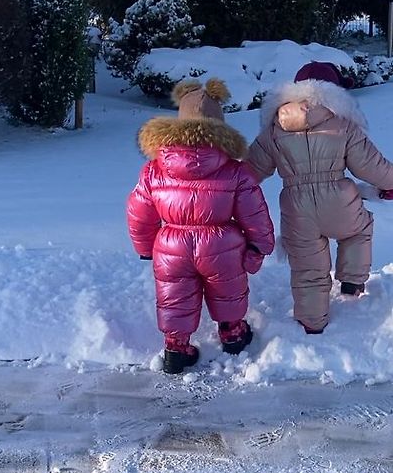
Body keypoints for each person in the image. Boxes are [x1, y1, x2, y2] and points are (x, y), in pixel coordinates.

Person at [127, 78, 275, 374]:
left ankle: (176, 347)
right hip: (221, 244)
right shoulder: (235, 171)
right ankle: (232, 333)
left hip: (171, 245)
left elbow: (139, 212)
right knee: (228, 289)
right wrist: (260, 245)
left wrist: (145, 247)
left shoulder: (154, 169)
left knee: (175, 296)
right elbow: (254, 213)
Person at [246, 60, 393, 335]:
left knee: (308, 268)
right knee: (359, 229)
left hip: (296, 206)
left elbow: (250, 170)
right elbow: (371, 166)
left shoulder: (275, 129)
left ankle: (312, 323)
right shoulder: (343, 124)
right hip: (339, 201)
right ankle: (352, 281)